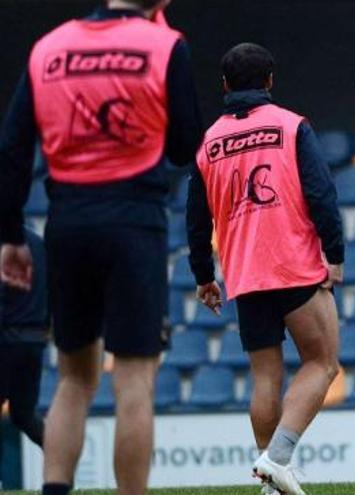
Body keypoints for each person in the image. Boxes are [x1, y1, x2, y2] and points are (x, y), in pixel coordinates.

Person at [0, 0, 203, 493]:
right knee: (134, 380)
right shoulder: (164, 45)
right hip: (135, 224)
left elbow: (12, 148)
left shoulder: (49, 47)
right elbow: (185, 146)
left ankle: (55, 489)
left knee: (73, 378)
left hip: (67, 223)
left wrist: (10, 235)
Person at [186, 42, 344, 495]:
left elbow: (196, 218)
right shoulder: (291, 126)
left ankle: (270, 484)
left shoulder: (209, 141)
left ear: (225, 85)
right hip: (293, 264)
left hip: (244, 274)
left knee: (265, 377)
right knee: (322, 362)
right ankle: (276, 460)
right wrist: (334, 254)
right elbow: (321, 194)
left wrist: (203, 276)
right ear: (270, 81)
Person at [0, 228, 49, 478]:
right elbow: (53, 291)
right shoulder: (39, 244)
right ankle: (61, 465)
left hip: (6, 338)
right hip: (33, 341)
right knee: (24, 415)